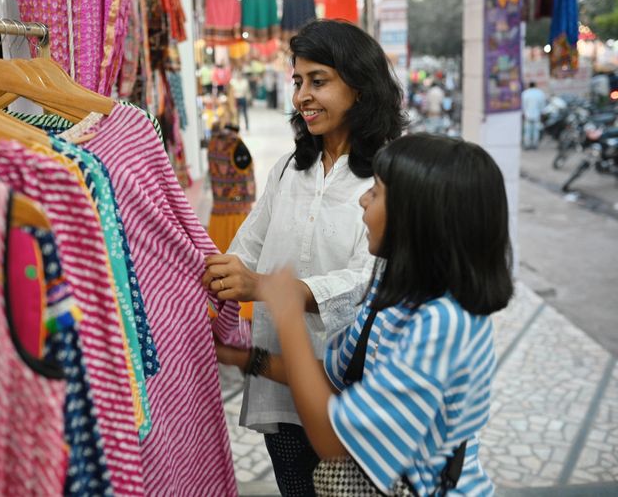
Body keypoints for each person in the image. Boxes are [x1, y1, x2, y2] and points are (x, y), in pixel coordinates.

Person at [218, 133, 513, 495]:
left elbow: (334, 439)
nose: (362, 199)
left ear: (415, 218)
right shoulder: (389, 290)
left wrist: (288, 310)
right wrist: (244, 357)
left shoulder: (444, 323)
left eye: (375, 192)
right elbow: (334, 381)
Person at [202, 19, 407, 496]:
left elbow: (369, 281)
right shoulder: (291, 170)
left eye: (318, 81)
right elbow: (246, 247)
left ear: (359, 87)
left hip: (351, 398)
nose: (301, 96)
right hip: (282, 383)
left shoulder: (389, 175)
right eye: (298, 82)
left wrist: (269, 288)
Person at [521, 81, 546, 149]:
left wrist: (523, 114)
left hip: (527, 115)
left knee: (527, 131)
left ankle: (527, 145)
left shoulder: (525, 93)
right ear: (535, 85)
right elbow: (542, 105)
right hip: (536, 115)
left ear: (529, 85)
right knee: (535, 130)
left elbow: (523, 105)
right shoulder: (540, 93)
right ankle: (535, 145)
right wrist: (542, 113)